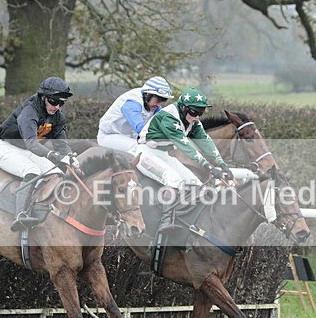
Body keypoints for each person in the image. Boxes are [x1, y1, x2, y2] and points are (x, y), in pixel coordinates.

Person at [137, 87, 233, 234]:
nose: (196, 116)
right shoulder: (169, 117)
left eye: (201, 113)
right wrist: (207, 166)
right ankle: (165, 221)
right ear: (183, 107)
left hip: (164, 155)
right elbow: (185, 146)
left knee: (197, 185)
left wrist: (221, 163)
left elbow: (205, 141)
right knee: (174, 181)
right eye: (194, 112)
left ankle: (191, 220)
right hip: (146, 154)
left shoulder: (192, 121)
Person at [0, 76, 79, 231]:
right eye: (54, 101)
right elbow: (31, 143)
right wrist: (53, 156)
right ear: (43, 97)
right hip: (8, 149)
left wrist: (71, 158)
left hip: (29, 151)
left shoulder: (58, 117)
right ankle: (20, 215)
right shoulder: (29, 112)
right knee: (32, 171)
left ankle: (48, 211)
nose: (57, 107)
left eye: (61, 102)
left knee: (57, 173)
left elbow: (62, 145)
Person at [97, 76, 173, 153]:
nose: (158, 105)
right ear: (148, 94)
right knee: (138, 148)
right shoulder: (132, 102)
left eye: (161, 102)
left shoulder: (154, 105)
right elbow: (140, 128)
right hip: (110, 136)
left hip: (130, 136)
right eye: (157, 101)